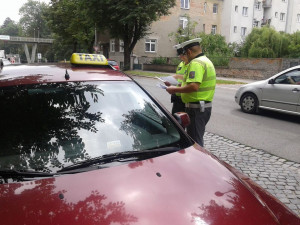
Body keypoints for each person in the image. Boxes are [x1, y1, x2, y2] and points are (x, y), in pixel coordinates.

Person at [166, 38, 216, 147]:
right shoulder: (206, 61)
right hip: (202, 107)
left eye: (184, 53)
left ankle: (197, 163)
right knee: (195, 138)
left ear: (188, 51)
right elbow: (193, 83)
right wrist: (178, 85)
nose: (184, 56)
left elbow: (194, 86)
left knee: (195, 143)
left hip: (196, 109)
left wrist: (174, 90)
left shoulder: (196, 63)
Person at [164, 46, 189, 115]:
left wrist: (183, 85)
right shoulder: (181, 64)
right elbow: (177, 78)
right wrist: (170, 83)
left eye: (181, 55)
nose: (180, 57)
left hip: (185, 100)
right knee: (175, 120)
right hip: (177, 98)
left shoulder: (193, 65)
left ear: (186, 54)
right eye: (179, 55)